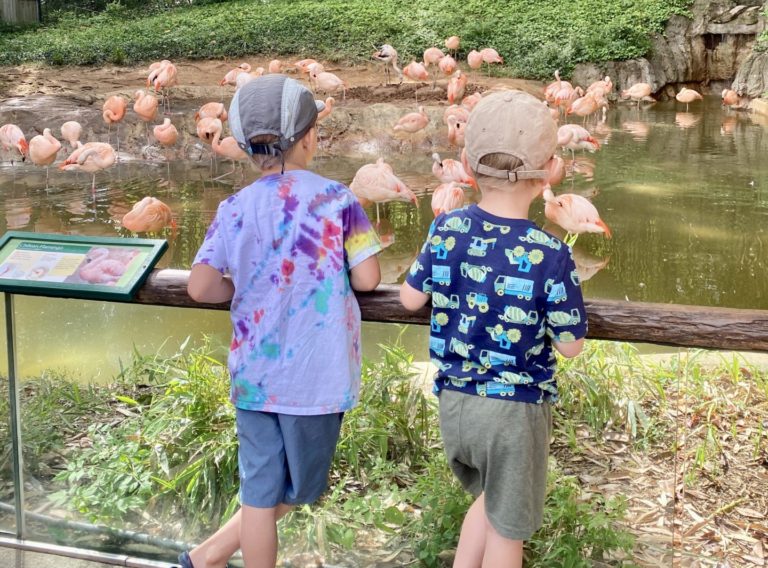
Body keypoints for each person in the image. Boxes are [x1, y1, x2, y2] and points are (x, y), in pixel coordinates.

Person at [184, 74, 382, 568]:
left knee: (259, 490)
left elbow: (201, 286)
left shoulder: (235, 207)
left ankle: (207, 557)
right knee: (301, 489)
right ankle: (206, 556)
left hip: (255, 375)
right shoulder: (338, 201)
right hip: (315, 378)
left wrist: (241, 287)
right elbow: (368, 278)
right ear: (311, 137)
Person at [400, 90, 588, 568]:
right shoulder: (550, 253)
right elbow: (570, 347)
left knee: (487, 502)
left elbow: (409, 298)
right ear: (548, 170)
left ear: (465, 161)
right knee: (508, 530)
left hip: (455, 403)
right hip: (513, 414)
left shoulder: (446, 229)